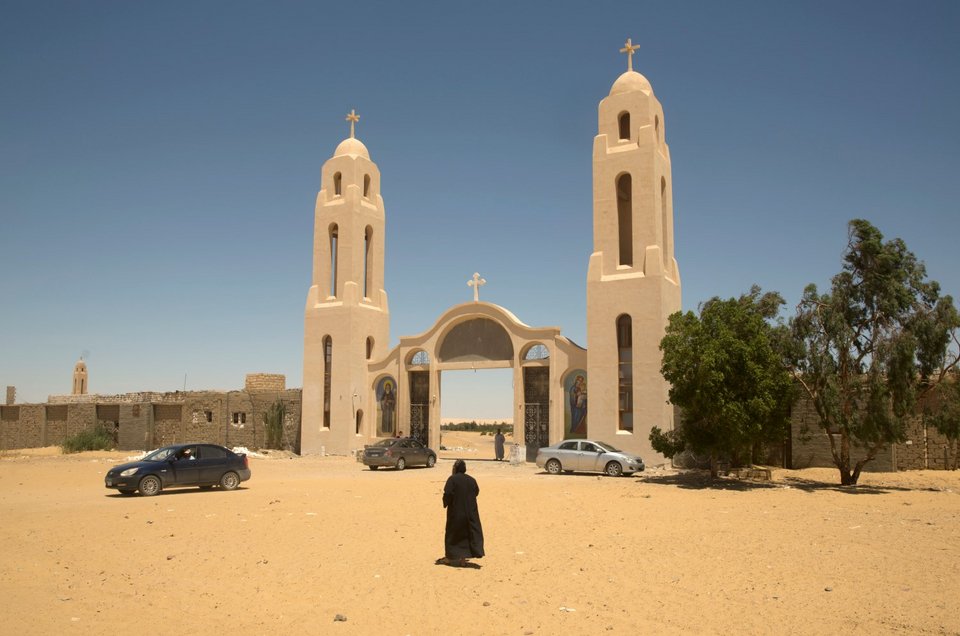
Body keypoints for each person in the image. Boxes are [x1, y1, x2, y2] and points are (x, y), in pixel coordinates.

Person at [439, 459, 484, 567]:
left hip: (456, 512)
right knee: (466, 535)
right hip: (470, 513)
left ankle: (449, 558)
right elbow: (476, 492)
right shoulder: (472, 480)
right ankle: (463, 560)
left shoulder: (452, 479)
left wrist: (446, 502)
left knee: (453, 534)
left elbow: (448, 493)